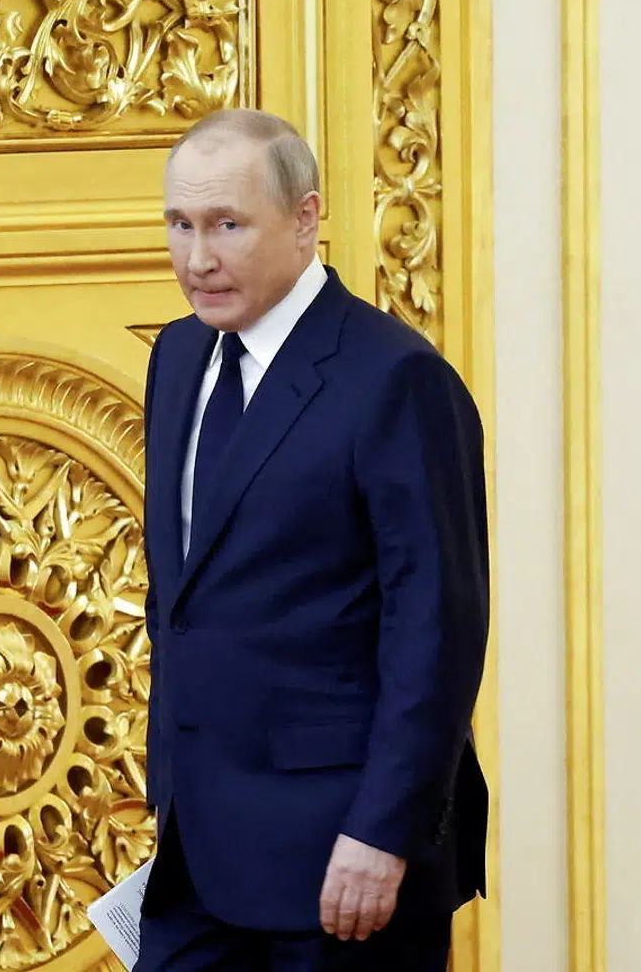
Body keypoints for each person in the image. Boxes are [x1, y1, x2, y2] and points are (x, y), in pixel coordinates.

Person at [136, 108, 489, 972]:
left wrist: (384, 830)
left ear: (305, 219)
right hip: (198, 851)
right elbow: (185, 592)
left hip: (344, 861)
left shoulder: (396, 378)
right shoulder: (176, 356)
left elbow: (436, 629)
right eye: (180, 224)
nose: (197, 257)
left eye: (227, 224)